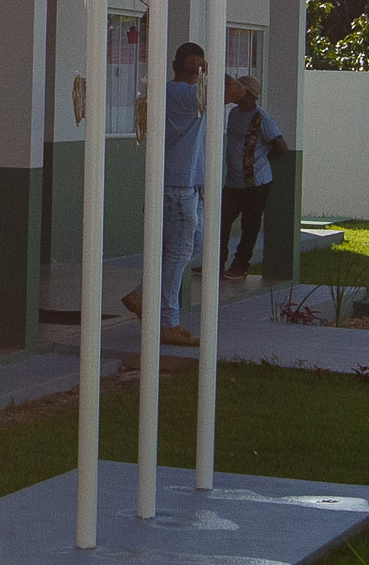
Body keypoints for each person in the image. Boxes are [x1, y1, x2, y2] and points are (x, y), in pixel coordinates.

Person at [121, 41, 213, 342]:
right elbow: (237, 90)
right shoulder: (186, 95)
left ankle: (143, 295)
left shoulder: (169, 93)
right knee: (177, 253)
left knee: (188, 247)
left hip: (179, 184)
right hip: (178, 187)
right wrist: (210, 71)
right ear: (196, 67)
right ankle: (167, 322)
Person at [223, 72, 288, 280]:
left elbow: (281, 146)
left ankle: (240, 266)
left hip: (256, 183)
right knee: (221, 221)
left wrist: (261, 159)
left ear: (249, 95)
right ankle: (216, 262)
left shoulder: (261, 119)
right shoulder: (233, 114)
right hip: (233, 182)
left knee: (249, 226)